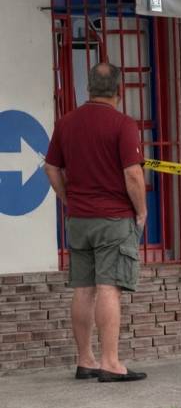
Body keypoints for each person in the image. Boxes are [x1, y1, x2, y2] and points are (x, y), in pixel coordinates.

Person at [44, 62, 148, 382]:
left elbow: (51, 168)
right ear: (120, 90)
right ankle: (111, 363)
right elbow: (132, 175)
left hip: (79, 219)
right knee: (109, 288)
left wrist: (68, 200)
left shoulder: (66, 124)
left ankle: (85, 359)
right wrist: (141, 211)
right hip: (113, 219)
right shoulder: (123, 124)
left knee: (83, 289)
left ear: (88, 88)